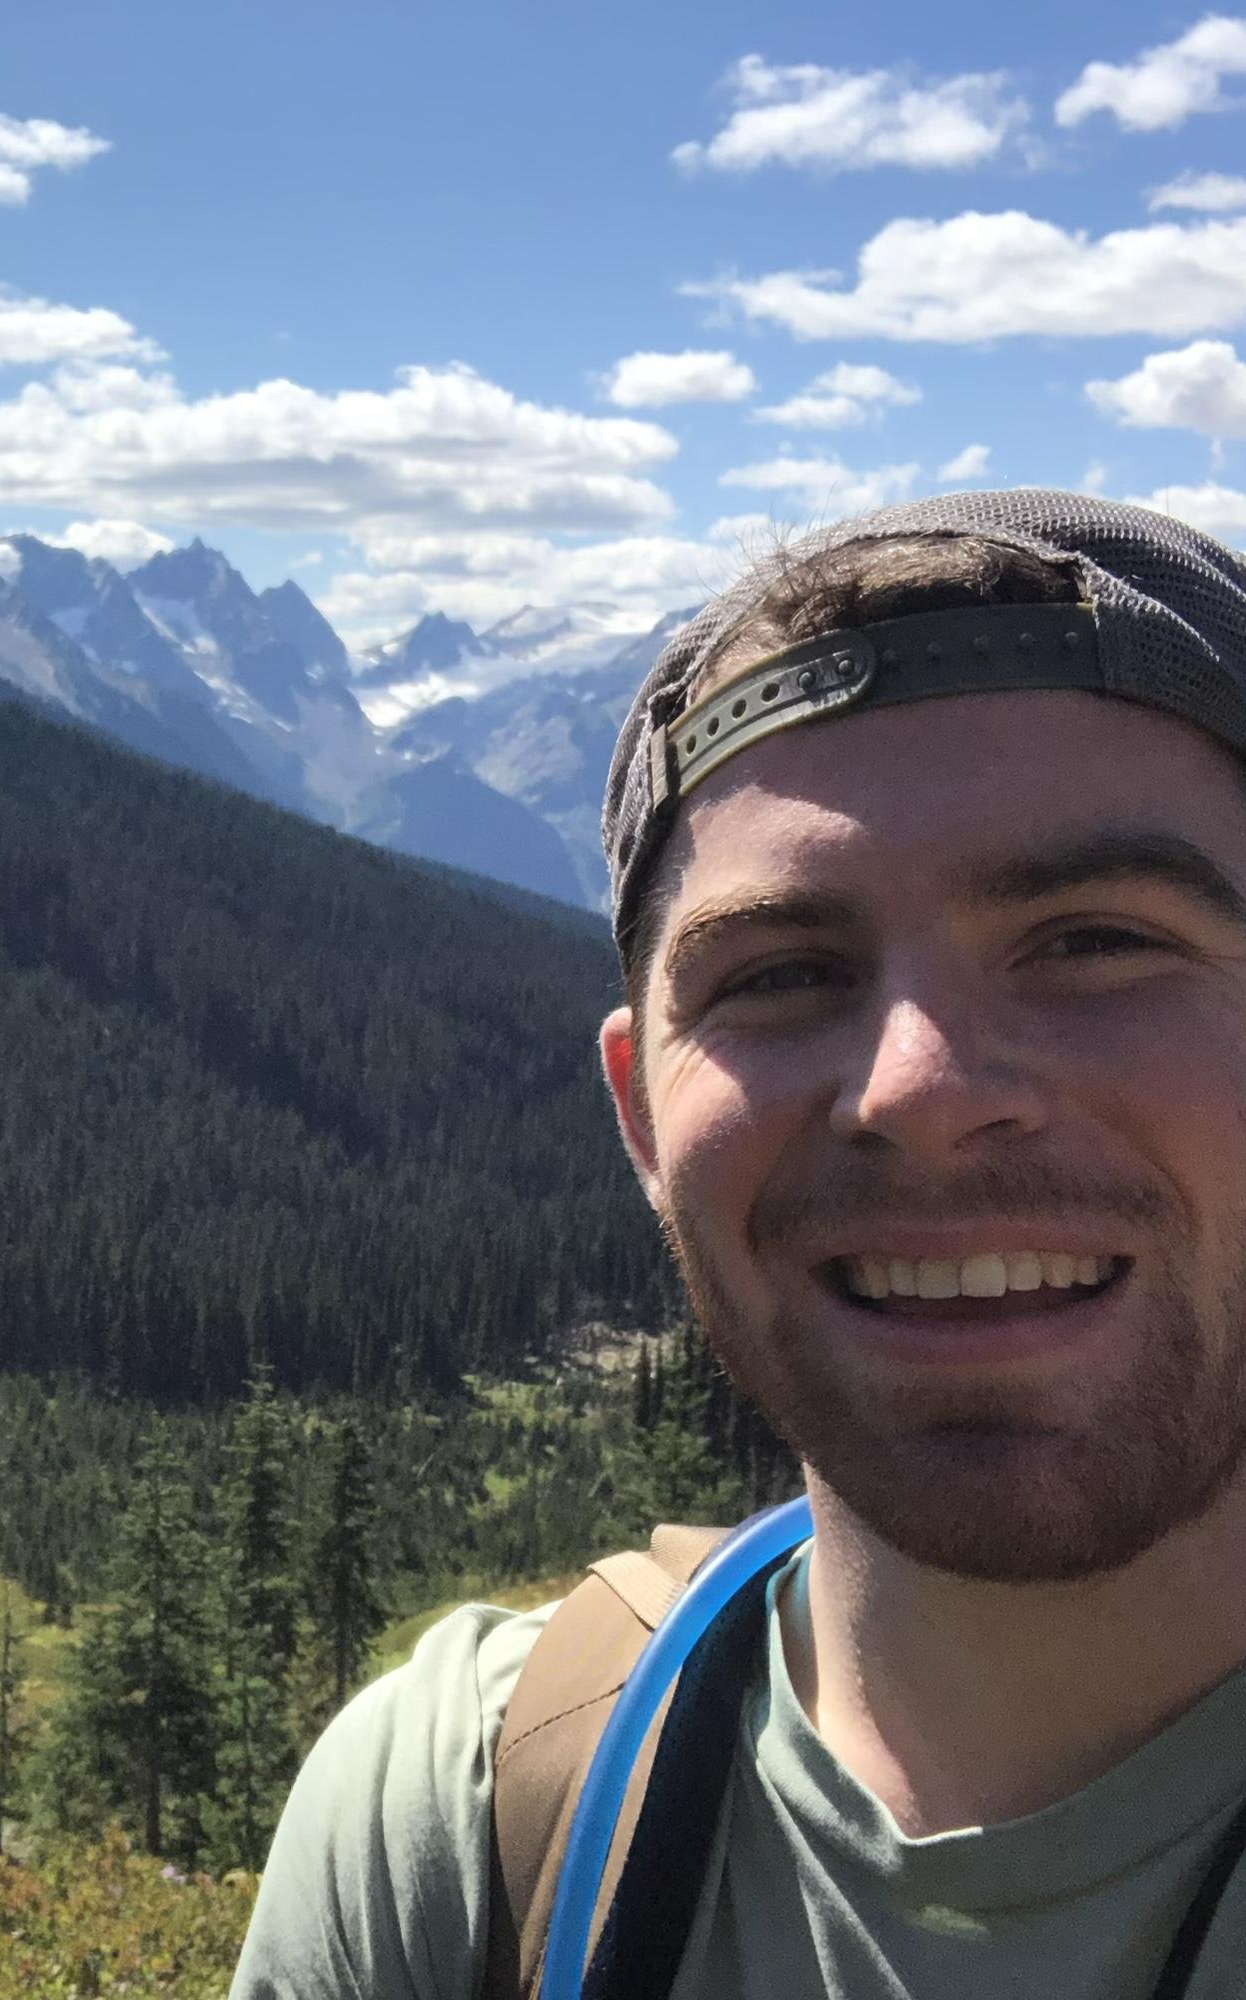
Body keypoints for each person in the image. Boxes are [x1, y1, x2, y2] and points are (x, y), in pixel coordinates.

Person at [231, 489, 1246, 1998]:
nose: (919, 1090)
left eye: (1101, 940)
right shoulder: (456, 1819)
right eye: (780, 973)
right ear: (642, 1117)